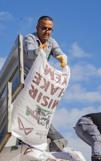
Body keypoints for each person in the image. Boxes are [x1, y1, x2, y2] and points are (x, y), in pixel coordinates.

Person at [23, 15, 68, 152]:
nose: (47, 32)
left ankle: (46, 139)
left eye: (50, 29)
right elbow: (31, 54)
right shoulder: (30, 38)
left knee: (40, 112)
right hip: (25, 80)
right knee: (30, 111)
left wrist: (61, 57)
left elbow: (59, 52)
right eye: (44, 28)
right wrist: (40, 50)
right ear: (37, 28)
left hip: (38, 83)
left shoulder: (51, 41)